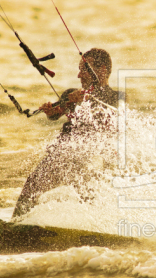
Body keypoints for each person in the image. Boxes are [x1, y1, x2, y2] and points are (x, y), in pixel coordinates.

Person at [12, 48, 118, 218]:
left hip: (91, 158)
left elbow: (111, 120)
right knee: (31, 186)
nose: (79, 75)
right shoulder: (70, 94)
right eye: (79, 69)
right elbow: (57, 113)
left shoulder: (116, 97)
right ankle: (15, 224)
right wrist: (50, 111)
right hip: (62, 156)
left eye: (84, 69)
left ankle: (95, 226)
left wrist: (87, 100)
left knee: (90, 191)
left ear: (102, 70)